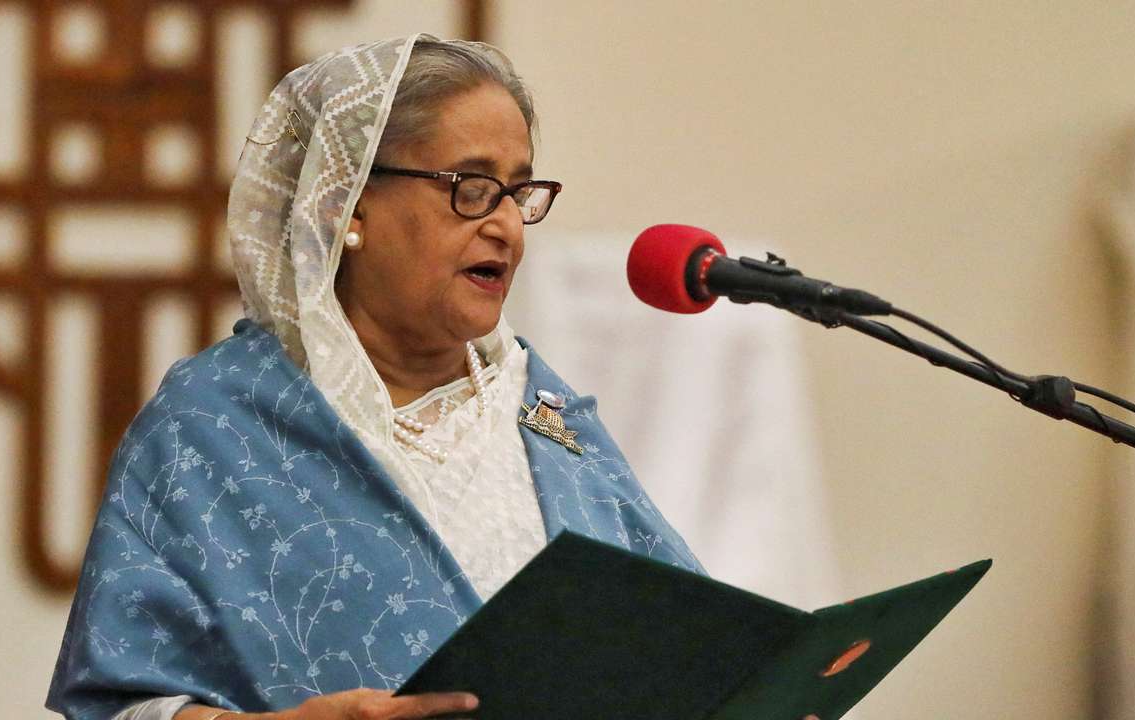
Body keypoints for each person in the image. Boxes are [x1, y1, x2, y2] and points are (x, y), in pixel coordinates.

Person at [46, 34, 700, 720]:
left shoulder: (543, 407)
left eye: (519, 191)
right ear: (348, 203)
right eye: (472, 189)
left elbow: (687, 646)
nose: (508, 226)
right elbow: (118, 703)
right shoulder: (213, 424)